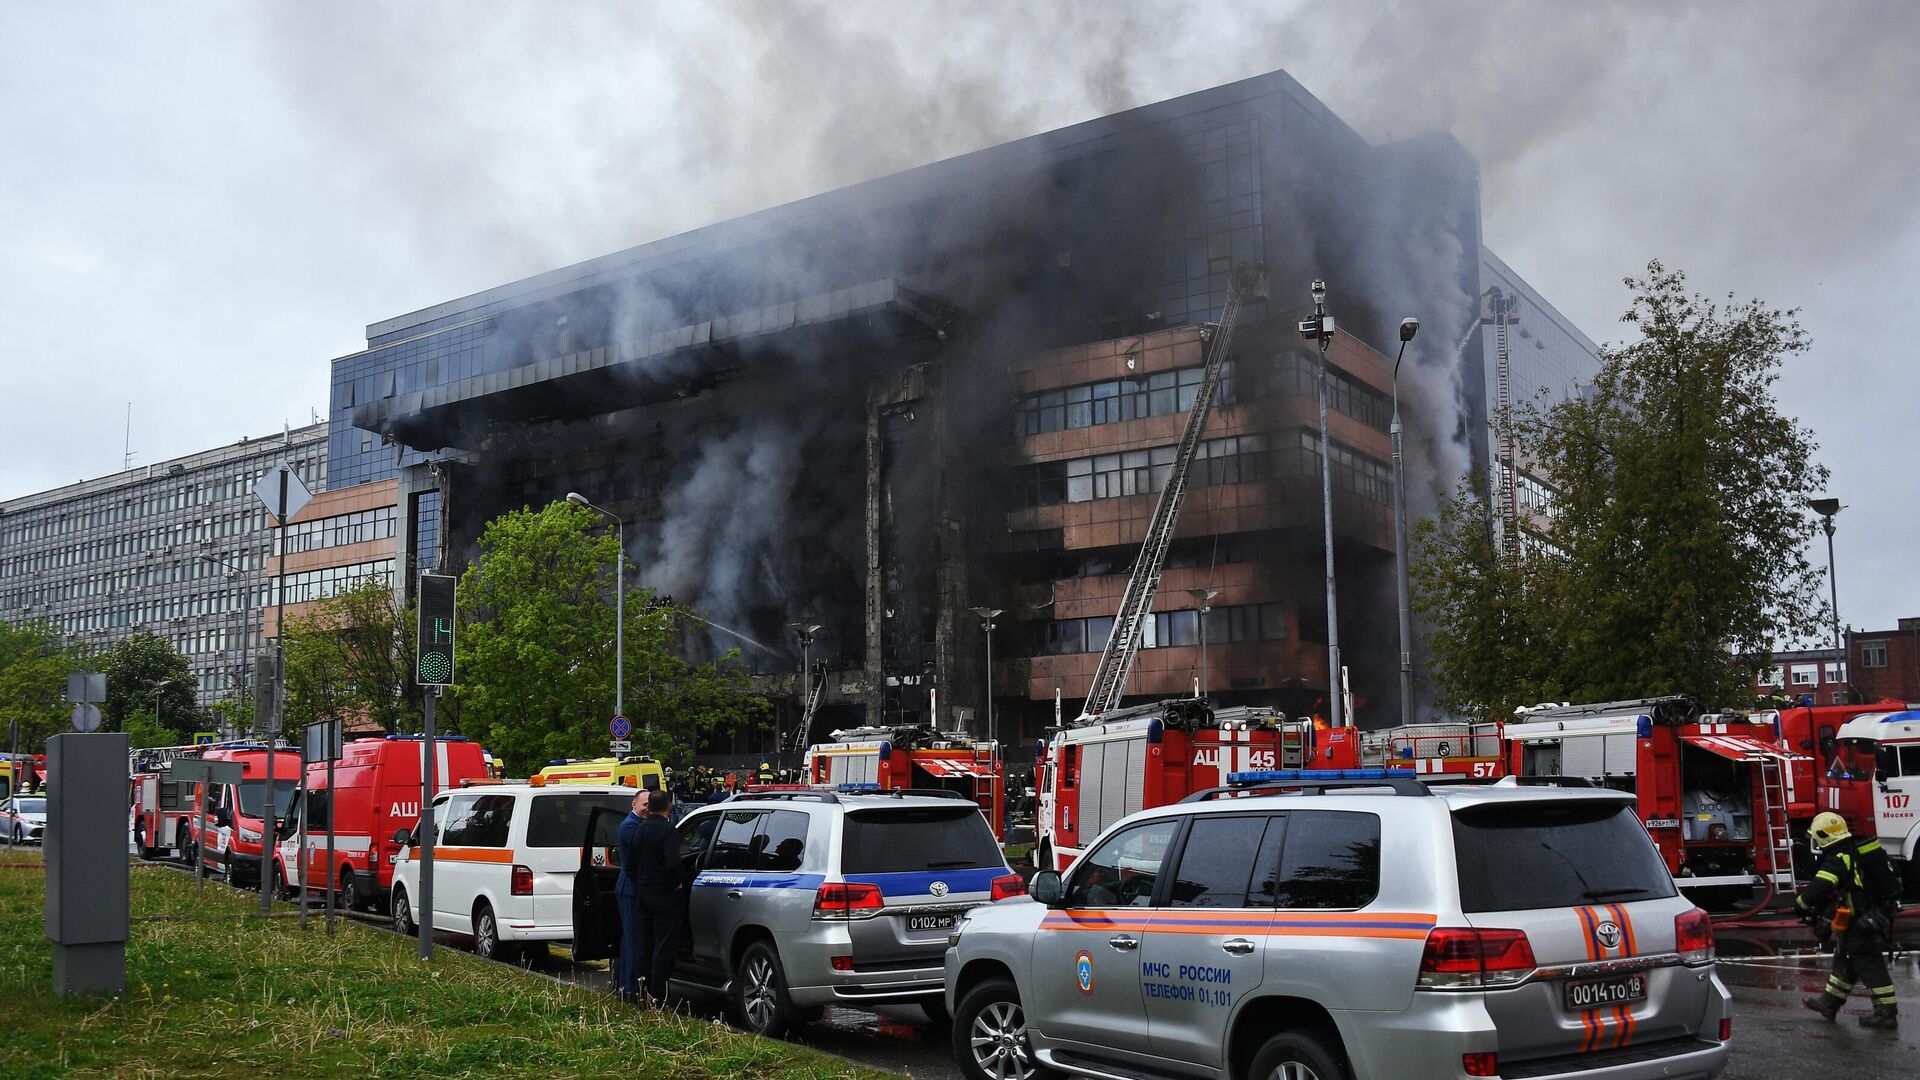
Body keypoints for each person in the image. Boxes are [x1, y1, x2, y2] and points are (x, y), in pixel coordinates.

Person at [1797, 811, 1902, 1029]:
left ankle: (1886, 1013)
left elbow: (1819, 888)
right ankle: (1829, 1004)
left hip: (1859, 923)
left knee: (1870, 965)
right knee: (1845, 961)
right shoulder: (1852, 850)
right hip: (1857, 921)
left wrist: (1800, 905)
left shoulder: (1839, 858)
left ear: (1824, 837)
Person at [620, 787, 684, 1005]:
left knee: (644, 943)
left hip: (643, 894)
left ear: (651, 807)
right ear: (668, 807)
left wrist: (643, 881)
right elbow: (673, 864)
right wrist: (676, 883)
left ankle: (641, 991)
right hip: (664, 895)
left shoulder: (639, 830)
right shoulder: (668, 831)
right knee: (663, 945)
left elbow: (628, 865)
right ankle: (657, 994)